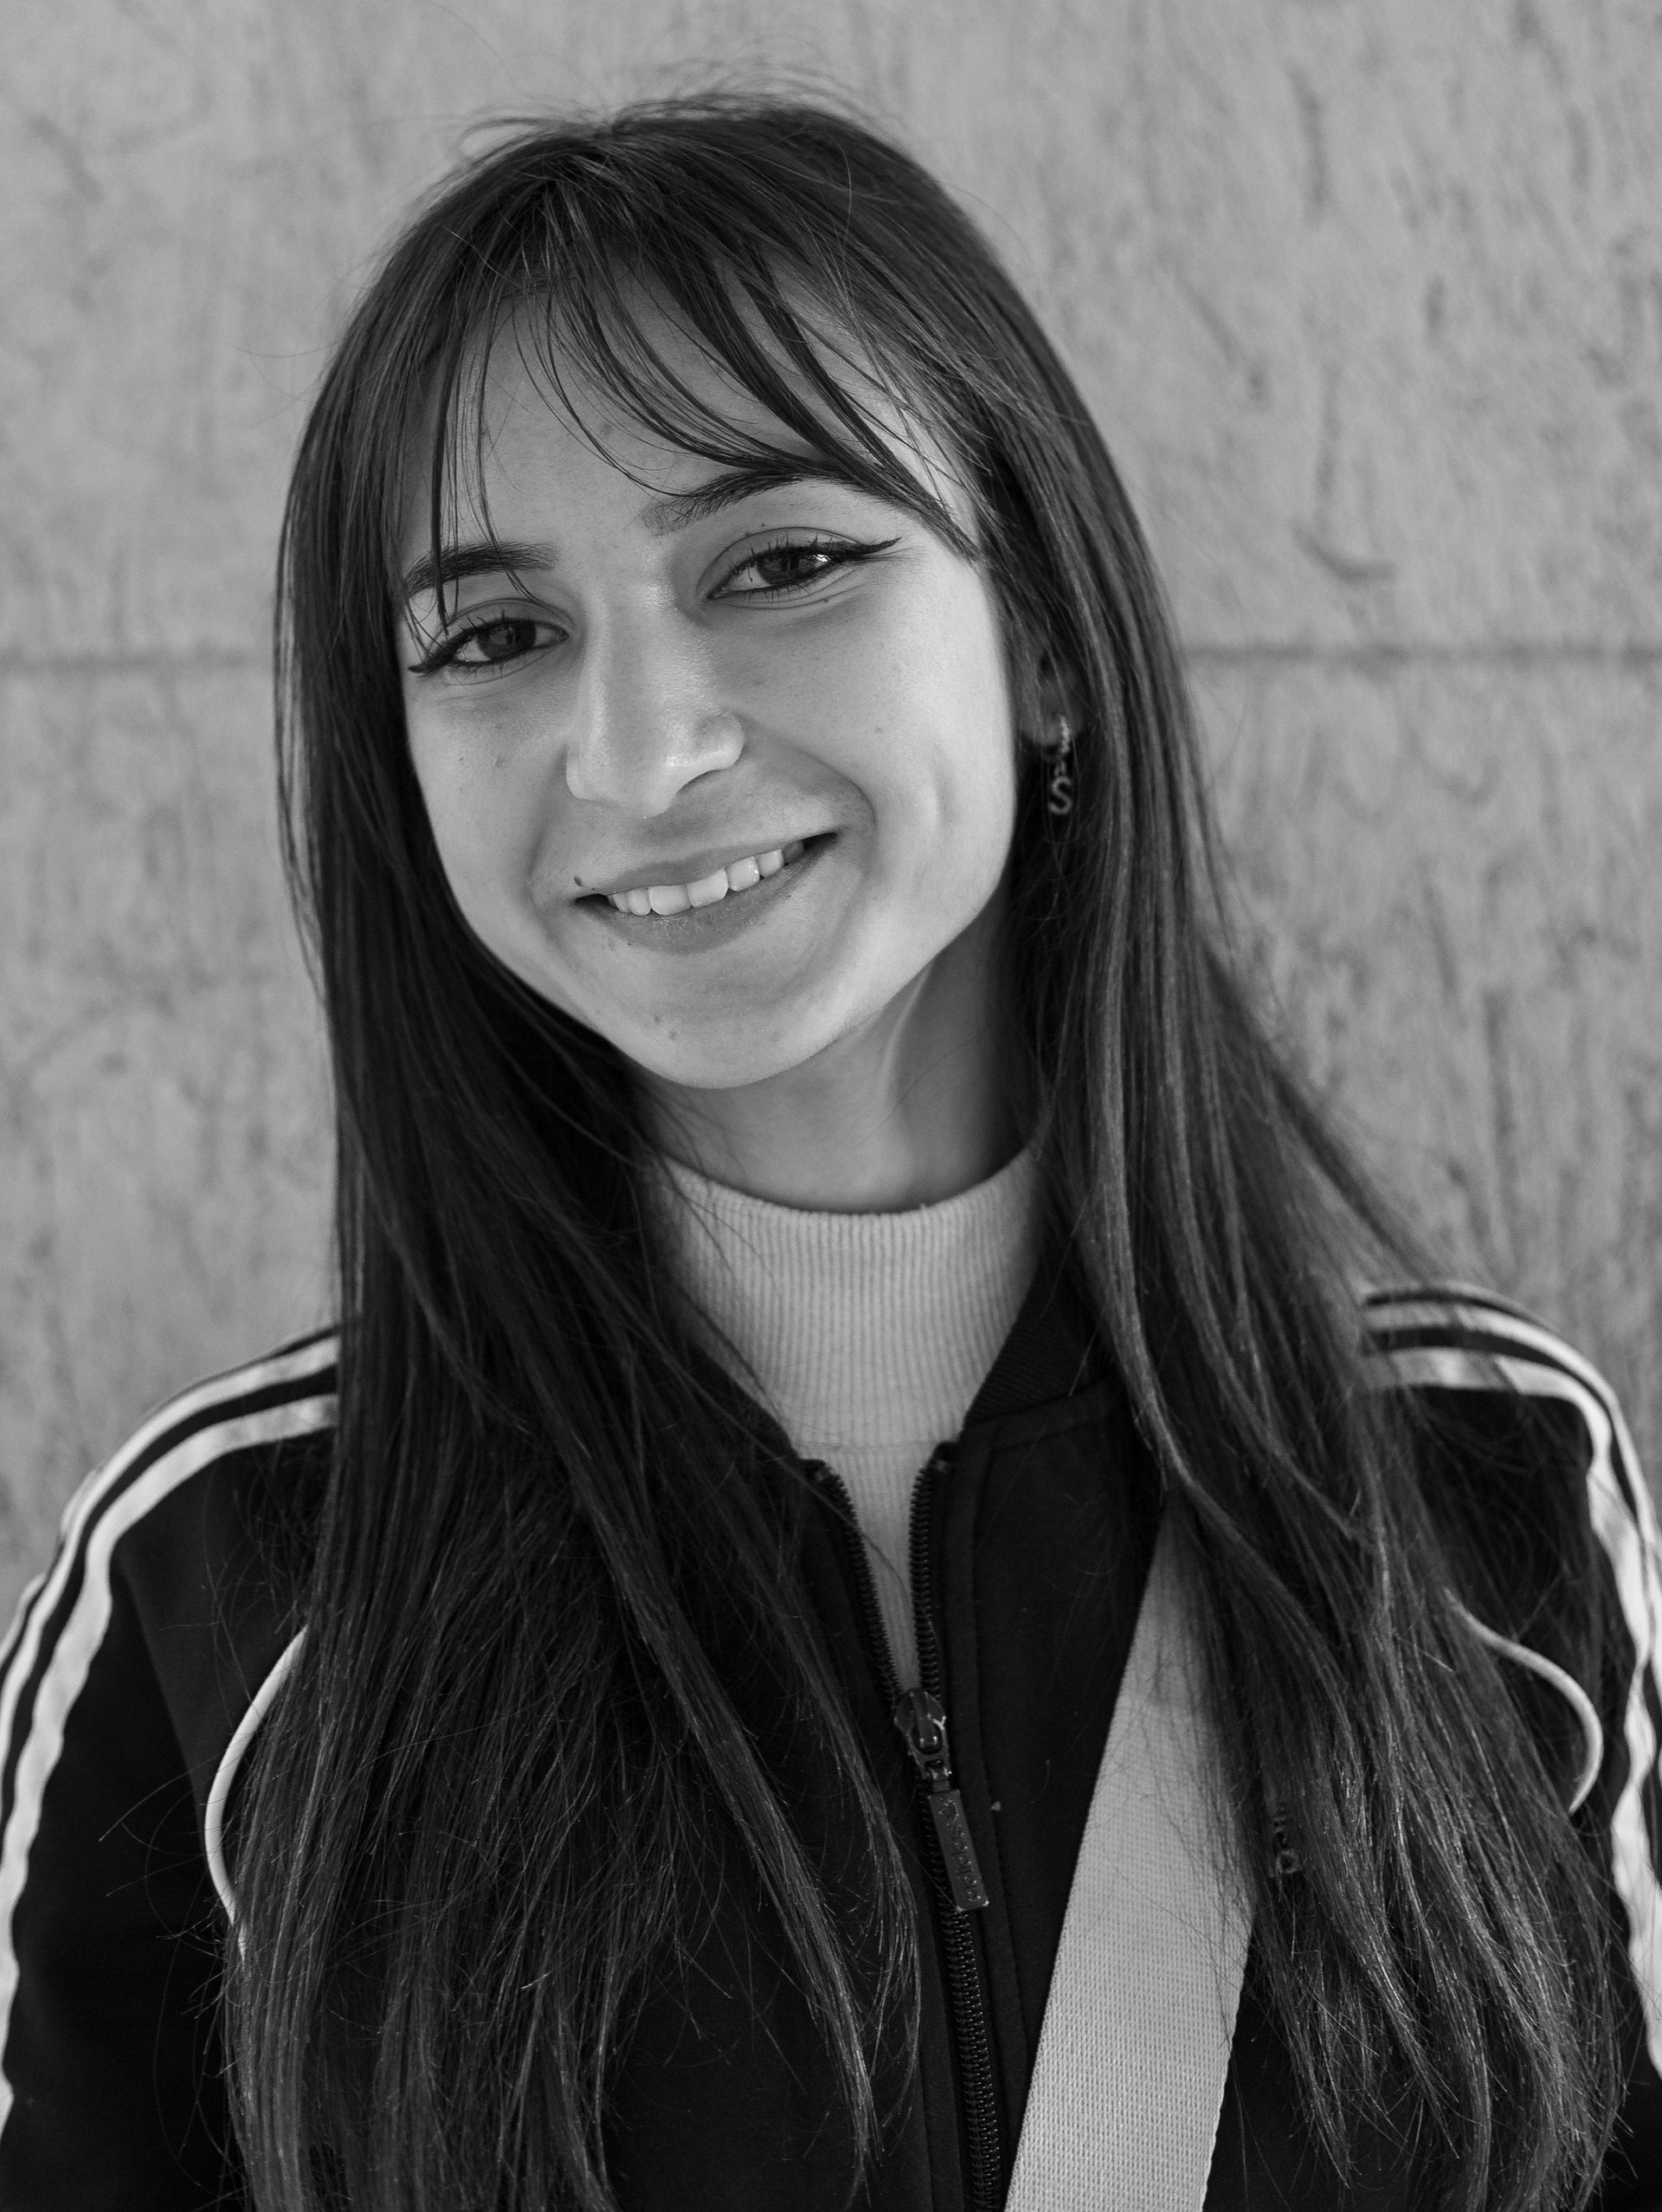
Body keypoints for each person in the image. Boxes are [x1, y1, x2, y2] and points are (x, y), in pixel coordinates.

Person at [0, 94, 1657, 2212]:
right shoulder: (226, 1586)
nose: (647, 750)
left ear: (1044, 636)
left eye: (780, 564)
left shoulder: (1484, 1495)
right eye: (498, 635)